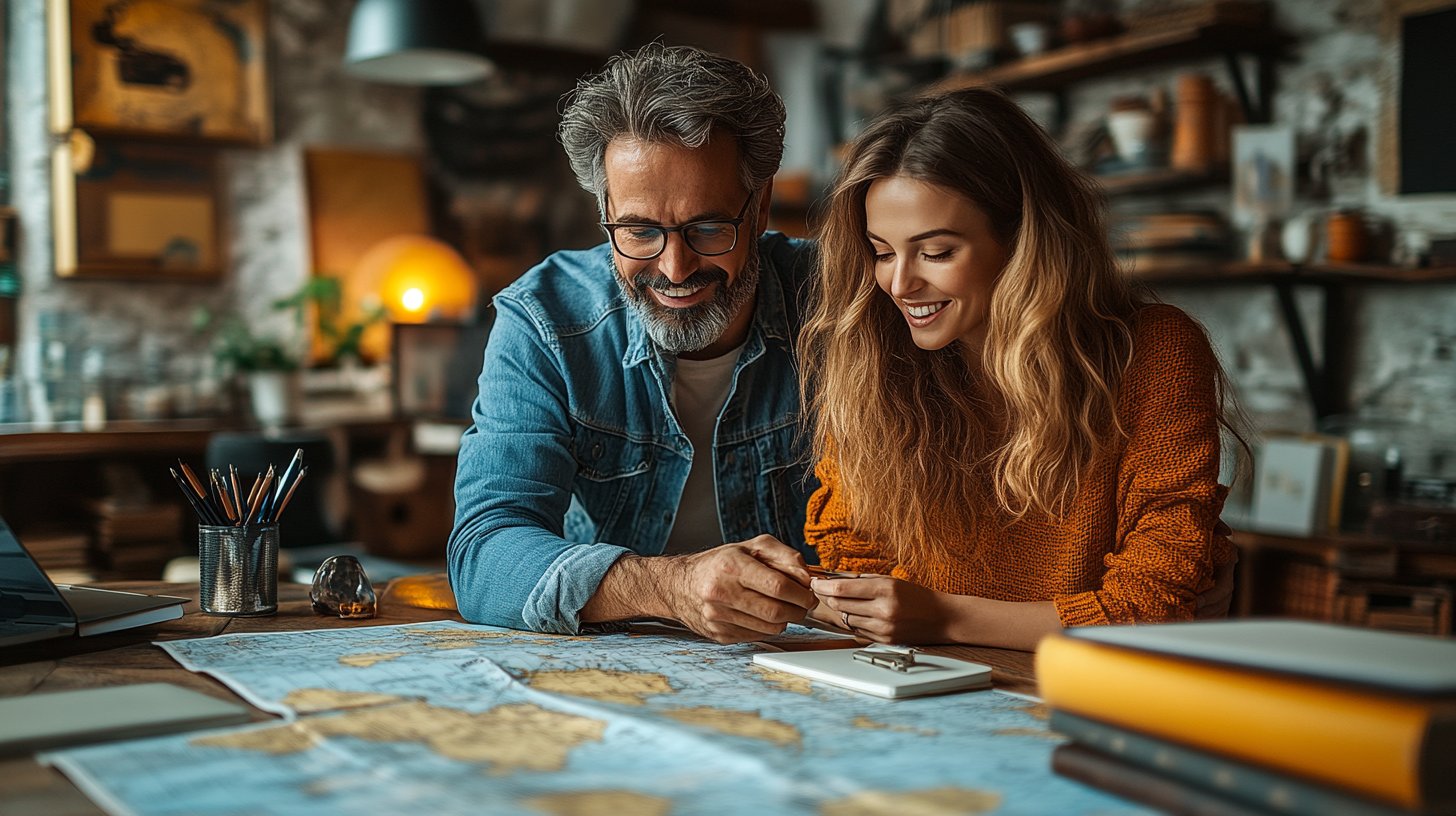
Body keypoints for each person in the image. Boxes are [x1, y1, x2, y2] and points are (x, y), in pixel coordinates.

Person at [798, 88, 1244, 651]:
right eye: (883, 252)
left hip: (1095, 697)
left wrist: (941, 616)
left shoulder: (1152, 352)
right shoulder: (879, 362)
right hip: (923, 691)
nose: (899, 284)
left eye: (936, 252)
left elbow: (1150, 608)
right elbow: (860, 581)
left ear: (1022, 240)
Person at [448, 44, 818, 642]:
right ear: (605, 210)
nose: (675, 268)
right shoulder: (545, 321)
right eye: (640, 231)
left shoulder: (838, 305)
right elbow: (485, 555)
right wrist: (671, 588)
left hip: (821, 659)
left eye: (707, 227)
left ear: (761, 207)